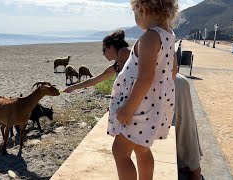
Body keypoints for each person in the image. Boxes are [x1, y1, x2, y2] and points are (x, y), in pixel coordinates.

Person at [107, 0, 178, 179]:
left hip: (139, 107)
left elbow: (145, 77)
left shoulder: (150, 37)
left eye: (135, 13)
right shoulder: (169, 35)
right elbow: (173, 70)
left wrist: (129, 108)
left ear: (143, 10)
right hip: (154, 105)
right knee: (142, 148)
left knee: (120, 152)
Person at [64, 29, 130, 93]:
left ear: (111, 48)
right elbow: (95, 80)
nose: (103, 54)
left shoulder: (124, 53)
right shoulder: (116, 66)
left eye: (104, 50)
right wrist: (73, 87)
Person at [173, 73, 204, 180]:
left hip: (163, 81)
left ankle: (194, 171)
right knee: (185, 125)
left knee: (182, 126)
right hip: (174, 80)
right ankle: (194, 170)